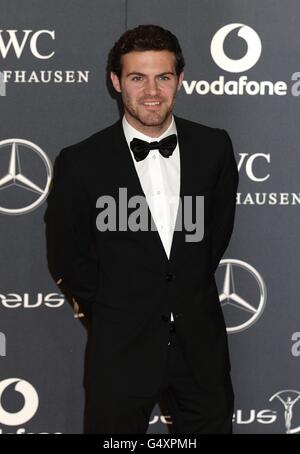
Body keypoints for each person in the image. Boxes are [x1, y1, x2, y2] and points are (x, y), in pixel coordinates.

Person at [44, 24, 239, 434]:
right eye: (137, 78)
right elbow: (67, 253)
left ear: (180, 80)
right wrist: (116, 309)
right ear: (116, 82)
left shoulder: (214, 148)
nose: (152, 91)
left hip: (200, 348)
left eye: (163, 77)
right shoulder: (80, 162)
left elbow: (214, 237)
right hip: (120, 350)